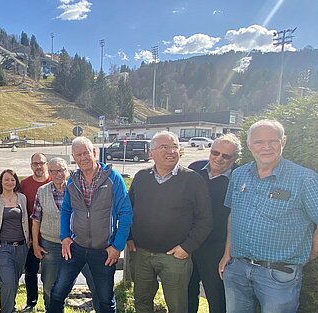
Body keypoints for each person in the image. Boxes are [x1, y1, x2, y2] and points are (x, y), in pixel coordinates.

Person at [219, 119, 318, 313]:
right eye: (258, 142)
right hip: (237, 269)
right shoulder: (239, 174)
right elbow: (234, 214)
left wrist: (308, 255)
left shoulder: (305, 179)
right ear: (249, 145)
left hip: (280, 275)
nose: (266, 147)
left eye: (272, 141)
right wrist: (227, 254)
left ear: (283, 141)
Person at [127, 130, 213, 313]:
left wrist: (187, 247)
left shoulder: (193, 180)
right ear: (152, 153)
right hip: (141, 254)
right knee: (142, 301)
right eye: (164, 147)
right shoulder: (141, 177)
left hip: (175, 257)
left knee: (177, 306)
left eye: (175, 146)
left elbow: (205, 219)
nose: (171, 151)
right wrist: (129, 237)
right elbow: (128, 210)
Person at [49, 137, 133, 313]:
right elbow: (66, 210)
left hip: (104, 250)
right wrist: (65, 236)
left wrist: (117, 246)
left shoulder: (113, 178)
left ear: (94, 152)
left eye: (86, 153)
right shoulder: (73, 180)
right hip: (76, 247)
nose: (83, 158)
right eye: (78, 155)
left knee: (105, 300)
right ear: (74, 157)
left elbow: (126, 213)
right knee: (57, 293)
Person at [31, 157, 99, 312]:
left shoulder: (77, 188)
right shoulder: (42, 191)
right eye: (54, 171)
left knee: (94, 280)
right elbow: (36, 219)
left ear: (67, 171)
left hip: (78, 244)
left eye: (61, 170)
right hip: (51, 245)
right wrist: (35, 243)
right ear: (49, 172)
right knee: (49, 283)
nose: (58, 174)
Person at [187, 134, 240, 313]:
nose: (218, 158)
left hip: (217, 248)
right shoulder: (194, 169)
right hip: (189, 243)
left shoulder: (239, 177)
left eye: (226, 156)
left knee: (217, 297)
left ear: (235, 158)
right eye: (215, 152)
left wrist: (228, 252)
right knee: (187, 292)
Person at [0, 169, 30, 313]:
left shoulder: (22, 198)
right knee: (7, 282)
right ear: (1, 182)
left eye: (12, 179)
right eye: (6, 179)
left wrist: (29, 241)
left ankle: (10, 308)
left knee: (13, 281)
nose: (9, 182)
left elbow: (26, 219)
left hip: (21, 247)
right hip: (3, 247)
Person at [19, 152, 51, 312]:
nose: (38, 166)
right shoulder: (24, 184)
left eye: (41, 163)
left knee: (49, 274)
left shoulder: (54, 181)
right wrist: (29, 237)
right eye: (35, 163)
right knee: (30, 272)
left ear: (46, 164)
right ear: (31, 165)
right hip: (32, 237)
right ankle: (31, 302)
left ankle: (50, 303)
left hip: (51, 238)